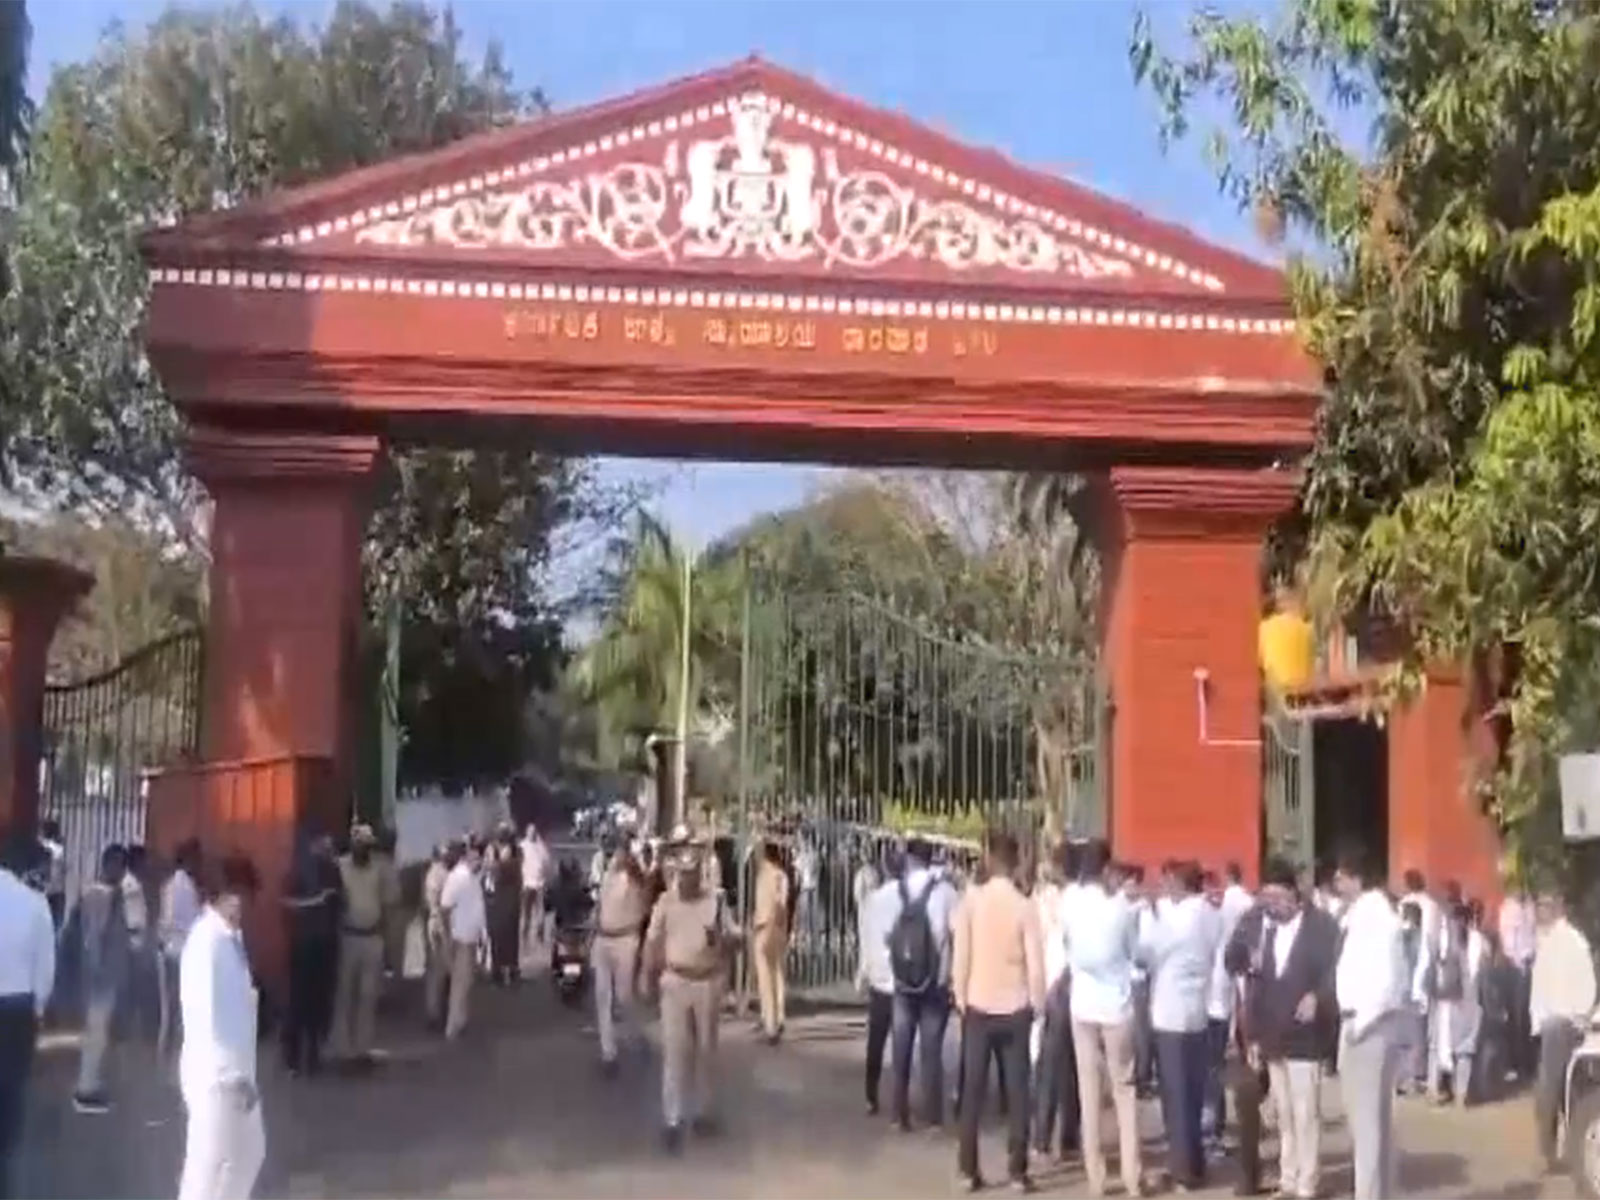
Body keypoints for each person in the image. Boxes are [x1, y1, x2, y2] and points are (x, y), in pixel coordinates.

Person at [951, 830, 1044, 1192]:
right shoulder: (1024, 906)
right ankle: (1018, 1171)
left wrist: (960, 995)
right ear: (1016, 861)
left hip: (979, 1004)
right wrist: (1036, 1003)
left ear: (990, 859)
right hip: (1015, 1005)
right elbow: (1035, 964)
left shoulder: (972, 901)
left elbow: (962, 954)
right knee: (1019, 1089)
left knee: (972, 1089)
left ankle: (967, 1169)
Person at [643, 831, 738, 1154]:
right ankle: (672, 1118)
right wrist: (646, 974)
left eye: (691, 874)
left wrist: (721, 939)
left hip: (707, 982)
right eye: (681, 874)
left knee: (706, 1050)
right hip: (675, 980)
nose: (685, 879)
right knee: (675, 1052)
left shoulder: (715, 900)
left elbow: (735, 941)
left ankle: (703, 1112)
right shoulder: (666, 902)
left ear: (699, 873)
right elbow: (653, 941)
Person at [176, 854, 264, 1200]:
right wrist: (230, 1075)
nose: (240, 903)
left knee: (248, 1156)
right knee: (204, 1169)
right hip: (216, 1076)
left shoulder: (231, 938)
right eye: (232, 895)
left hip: (239, 1070)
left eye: (243, 894)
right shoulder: (205, 943)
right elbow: (207, 1018)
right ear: (215, 895)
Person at [1249, 857, 1337, 1200]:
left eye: (1275, 899)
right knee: (1283, 1114)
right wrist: (1254, 1034)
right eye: (1265, 900)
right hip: (1274, 1034)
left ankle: (1307, 1183)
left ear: (1292, 893)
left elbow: (1336, 971)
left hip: (1306, 1036)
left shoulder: (1322, 926)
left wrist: (1319, 996)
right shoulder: (1266, 929)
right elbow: (1257, 984)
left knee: (1305, 1113)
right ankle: (1288, 1178)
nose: (1270, 906)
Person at [1061, 839, 1143, 1198]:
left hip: (1082, 1004)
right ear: (1106, 869)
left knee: (1088, 1091)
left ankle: (1096, 1178)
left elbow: (1066, 945)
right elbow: (1133, 952)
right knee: (1125, 1092)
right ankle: (1132, 1176)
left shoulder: (1069, 903)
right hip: (1116, 1005)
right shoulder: (1120, 909)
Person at [1140, 859, 1222, 1191]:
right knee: (1193, 1092)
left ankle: (1183, 1170)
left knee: (1175, 1097)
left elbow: (1146, 953)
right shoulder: (1209, 915)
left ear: (1178, 883)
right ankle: (1196, 1163)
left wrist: (1149, 914)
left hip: (1171, 1013)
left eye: (1167, 882)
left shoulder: (1175, 920)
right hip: (1197, 1012)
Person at [1333, 850, 1407, 1200]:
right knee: (1371, 1124)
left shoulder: (1375, 916)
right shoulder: (1363, 915)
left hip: (1367, 1026)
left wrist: (1361, 1023)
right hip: (1364, 1023)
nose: (1337, 884)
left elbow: (1388, 979)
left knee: (1367, 1127)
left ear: (1356, 878)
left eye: (1340, 877)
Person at [887, 836, 958, 1132]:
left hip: (902, 982)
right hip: (934, 981)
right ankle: (932, 1117)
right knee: (931, 1049)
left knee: (901, 1046)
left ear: (909, 859)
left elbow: (886, 935)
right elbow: (955, 934)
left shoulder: (895, 891)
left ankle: (898, 1113)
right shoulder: (947, 893)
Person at [0, 834, 56, 1200]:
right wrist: (38, 1012)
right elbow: (46, 970)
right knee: (9, 1092)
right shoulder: (36, 904)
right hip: (17, 1011)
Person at [1531, 887, 1596, 1174]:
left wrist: (1576, 1017)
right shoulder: (1548, 940)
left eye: (1544, 905)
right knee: (1554, 1092)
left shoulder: (1570, 942)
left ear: (1558, 907)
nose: (1539, 911)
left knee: (1550, 1090)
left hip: (1562, 1025)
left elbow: (1585, 988)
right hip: (1551, 1024)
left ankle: (1553, 1154)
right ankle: (1556, 1151)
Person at [1033, 840, 1081, 1164]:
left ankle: (1042, 1138)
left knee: (1050, 1066)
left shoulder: (1048, 899)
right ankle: (1069, 1138)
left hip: (1054, 986)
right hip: (1076, 989)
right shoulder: (1083, 899)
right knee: (1072, 1068)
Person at [74, 843, 131, 1114]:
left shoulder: (110, 894)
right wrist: (97, 972)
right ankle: (86, 1089)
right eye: (119, 865)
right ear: (108, 865)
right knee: (95, 1033)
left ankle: (91, 1084)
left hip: (106, 975)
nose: (121, 872)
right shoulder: (99, 895)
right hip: (101, 977)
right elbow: (93, 938)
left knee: (98, 1032)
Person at [280, 835, 341, 1076]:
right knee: (298, 1002)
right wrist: (316, 901)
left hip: (324, 944)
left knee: (319, 1001)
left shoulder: (332, 871)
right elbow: (285, 901)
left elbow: (339, 903)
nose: (327, 848)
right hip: (303, 944)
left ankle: (313, 1053)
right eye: (323, 844)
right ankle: (293, 1056)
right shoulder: (297, 872)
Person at [1204, 861, 1254, 1148]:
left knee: (1210, 1069)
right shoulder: (1243, 905)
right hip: (1224, 996)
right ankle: (1215, 1126)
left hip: (1210, 1002)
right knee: (1216, 1067)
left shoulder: (1217, 913)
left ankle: (1213, 1128)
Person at [330, 825, 388, 1065]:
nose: (363, 848)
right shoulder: (340, 867)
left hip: (372, 937)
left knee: (368, 995)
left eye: (367, 844)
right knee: (345, 994)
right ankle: (343, 1049)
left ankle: (363, 1049)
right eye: (360, 844)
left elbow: (387, 901)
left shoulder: (379, 868)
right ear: (353, 844)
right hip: (348, 937)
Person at [593, 842, 649, 1075]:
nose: (614, 856)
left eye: (618, 853)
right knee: (602, 996)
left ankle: (635, 1034)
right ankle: (608, 1052)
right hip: (603, 939)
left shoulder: (634, 880)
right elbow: (599, 906)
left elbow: (644, 907)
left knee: (624, 996)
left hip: (625, 940)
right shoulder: (607, 876)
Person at [857, 847, 900, 1115]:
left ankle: (870, 1094)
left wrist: (864, 971)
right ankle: (899, 1097)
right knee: (902, 1042)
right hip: (903, 979)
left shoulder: (873, 901)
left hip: (880, 978)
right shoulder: (908, 897)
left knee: (876, 1038)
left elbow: (866, 938)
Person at [1429, 901, 1485, 1105]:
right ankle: (1455, 1092)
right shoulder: (1475, 940)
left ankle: (1446, 1091)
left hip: (1457, 998)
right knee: (1457, 1047)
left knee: (1449, 1046)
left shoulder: (1456, 940)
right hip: (1461, 999)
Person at [159, 838, 204, 1058]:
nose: (200, 863)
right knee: (176, 1009)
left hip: (175, 951)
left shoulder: (177, 884)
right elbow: (172, 920)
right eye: (197, 858)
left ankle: (169, 1056)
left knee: (174, 1008)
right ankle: (170, 1056)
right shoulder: (181, 885)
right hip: (180, 952)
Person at [438, 837, 486, 1039]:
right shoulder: (457, 877)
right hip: (461, 937)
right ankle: (453, 1027)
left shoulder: (470, 876)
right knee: (459, 983)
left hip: (470, 935)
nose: (479, 861)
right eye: (474, 858)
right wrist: (448, 935)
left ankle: (461, 1020)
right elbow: (445, 907)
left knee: (465, 982)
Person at [751, 840, 791, 1045]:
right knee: (777, 973)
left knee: (765, 977)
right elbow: (782, 903)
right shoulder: (781, 875)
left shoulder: (765, 875)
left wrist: (767, 927)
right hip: (778, 927)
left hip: (765, 926)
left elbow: (777, 903)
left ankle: (770, 1023)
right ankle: (778, 1015)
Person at [1497, 888, 1537, 1080]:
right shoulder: (1509, 909)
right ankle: (1515, 1063)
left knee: (1528, 1016)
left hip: (1531, 967)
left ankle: (1527, 1062)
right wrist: (1521, 962)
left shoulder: (1529, 905)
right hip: (1517, 968)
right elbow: (1509, 945)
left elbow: (1533, 935)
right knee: (1517, 1016)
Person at [422, 841, 459, 1031]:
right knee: (442, 971)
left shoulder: (436, 872)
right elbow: (439, 903)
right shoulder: (439, 874)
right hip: (441, 924)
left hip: (438, 922)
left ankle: (438, 1012)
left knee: (439, 972)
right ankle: (437, 1014)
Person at [486, 826, 522, 987]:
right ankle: (501, 969)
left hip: (506, 897)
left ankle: (507, 968)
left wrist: (497, 864)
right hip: (500, 898)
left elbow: (497, 871)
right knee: (500, 935)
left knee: (506, 935)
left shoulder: (514, 852)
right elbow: (491, 871)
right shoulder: (495, 850)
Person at [520, 824, 552, 951]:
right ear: (526, 833)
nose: (532, 834)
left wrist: (545, 874)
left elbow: (547, 862)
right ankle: (524, 938)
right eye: (530, 831)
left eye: (534, 831)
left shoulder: (541, 846)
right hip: (527, 884)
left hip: (539, 884)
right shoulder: (522, 846)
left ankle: (540, 937)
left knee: (540, 913)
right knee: (526, 913)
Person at [37, 820, 66, 931]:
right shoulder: (59, 849)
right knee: (56, 928)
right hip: (57, 892)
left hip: (44, 891)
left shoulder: (42, 847)